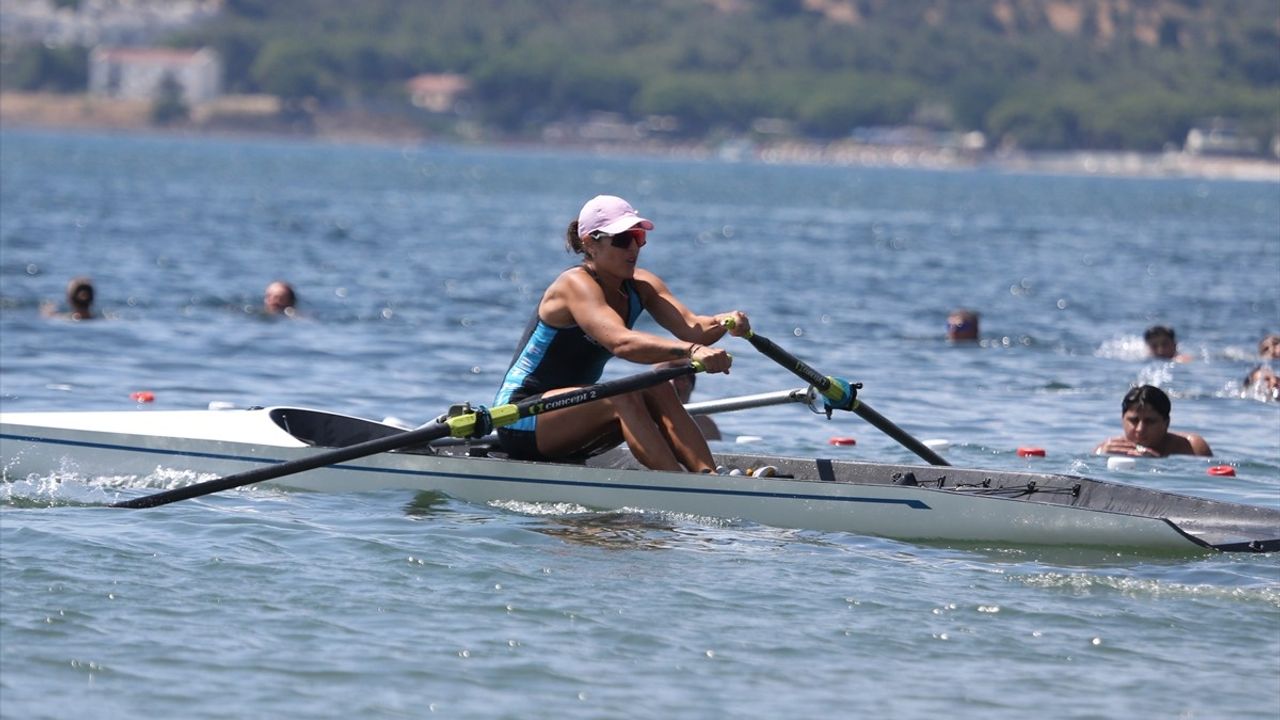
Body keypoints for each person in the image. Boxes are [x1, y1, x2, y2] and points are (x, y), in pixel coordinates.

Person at [492, 194, 749, 473]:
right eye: (622, 239)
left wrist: (725, 322)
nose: (634, 248)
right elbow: (621, 342)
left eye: (638, 237)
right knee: (621, 395)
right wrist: (691, 352)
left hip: (576, 414)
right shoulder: (574, 285)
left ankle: (709, 477)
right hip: (522, 417)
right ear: (590, 243)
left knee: (658, 385)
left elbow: (693, 328)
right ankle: (678, 485)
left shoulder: (642, 284)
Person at [1094, 385, 1212, 458]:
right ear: (1122, 419)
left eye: (1150, 421)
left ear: (1166, 423)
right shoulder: (1107, 449)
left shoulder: (1192, 448)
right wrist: (1101, 458)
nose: (1140, 429)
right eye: (1134, 420)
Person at [661, 360, 722, 441]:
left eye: (680, 379)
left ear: (691, 385)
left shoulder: (705, 425)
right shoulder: (646, 416)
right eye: (667, 378)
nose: (673, 383)